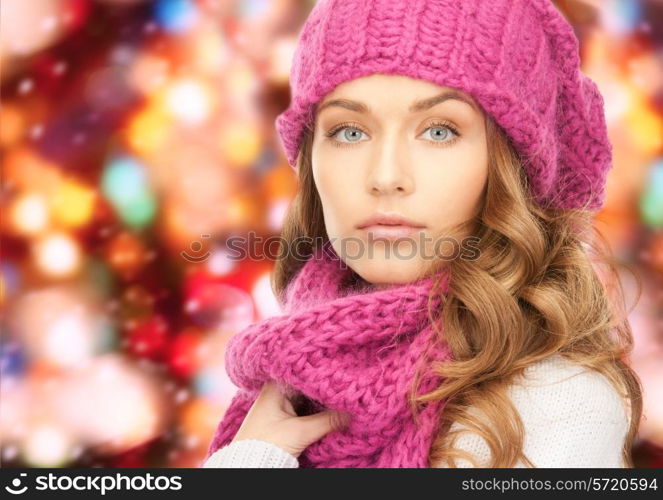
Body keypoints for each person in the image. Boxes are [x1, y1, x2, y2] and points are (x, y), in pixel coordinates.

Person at [201, 0, 643, 468]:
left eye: (438, 131)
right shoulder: (291, 376)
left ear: (509, 164)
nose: (386, 175)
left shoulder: (558, 403)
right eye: (349, 132)